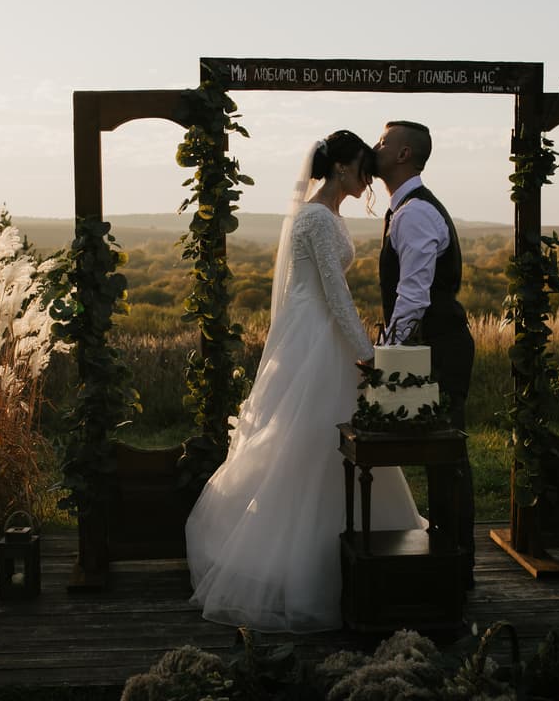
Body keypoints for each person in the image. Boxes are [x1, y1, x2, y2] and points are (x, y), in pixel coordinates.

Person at [184, 130, 425, 633]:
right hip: (316, 339)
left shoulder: (329, 215)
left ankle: (365, 558)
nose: (368, 177)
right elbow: (335, 296)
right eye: (362, 167)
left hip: (323, 336)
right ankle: (301, 570)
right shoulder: (316, 217)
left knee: (332, 445)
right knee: (307, 445)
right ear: (340, 167)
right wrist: (370, 355)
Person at [373, 120, 476, 587]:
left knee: (447, 460)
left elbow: (413, 296)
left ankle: (456, 565)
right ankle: (450, 561)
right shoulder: (407, 207)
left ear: (403, 154)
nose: (375, 148)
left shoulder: (414, 212)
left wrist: (387, 356)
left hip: (439, 351)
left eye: (383, 142)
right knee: (442, 460)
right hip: (434, 347)